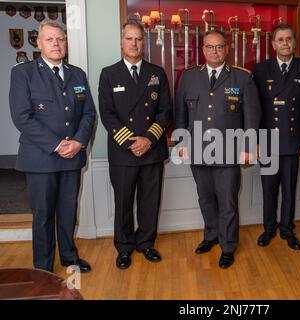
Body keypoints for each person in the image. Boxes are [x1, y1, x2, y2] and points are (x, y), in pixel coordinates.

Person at [9, 20, 96, 273]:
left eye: (61, 39)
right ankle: (43, 269)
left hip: (72, 156)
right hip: (41, 158)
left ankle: (69, 257)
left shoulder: (77, 74)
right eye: (50, 39)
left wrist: (78, 142)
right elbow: (22, 117)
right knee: (44, 215)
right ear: (39, 42)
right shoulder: (23, 73)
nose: (56, 44)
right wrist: (58, 145)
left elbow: (89, 113)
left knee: (68, 211)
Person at [174, 29, 261, 269]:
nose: (214, 51)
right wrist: (181, 142)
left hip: (229, 151)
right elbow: (180, 113)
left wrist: (247, 146)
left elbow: (252, 117)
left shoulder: (243, 78)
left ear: (227, 48)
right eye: (210, 47)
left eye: (219, 46)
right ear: (203, 49)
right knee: (206, 199)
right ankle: (211, 236)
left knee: (228, 202)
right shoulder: (189, 77)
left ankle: (228, 246)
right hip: (198, 150)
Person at [98, 21, 171, 270]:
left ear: (144, 42)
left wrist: (148, 139)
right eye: (129, 38)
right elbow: (107, 114)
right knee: (124, 202)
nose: (134, 43)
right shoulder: (109, 74)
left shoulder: (157, 73)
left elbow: (165, 111)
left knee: (150, 201)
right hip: (123, 152)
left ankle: (146, 243)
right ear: (121, 42)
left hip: (151, 150)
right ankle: (124, 247)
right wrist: (132, 142)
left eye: (139, 39)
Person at [252, 24, 300, 250]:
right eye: (280, 39)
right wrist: (255, 140)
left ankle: (287, 229)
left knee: (289, 189)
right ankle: (269, 228)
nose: (285, 43)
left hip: (293, 141)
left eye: (289, 39)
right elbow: (255, 109)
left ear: (294, 42)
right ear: (273, 44)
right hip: (268, 141)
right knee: (269, 190)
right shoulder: (260, 70)